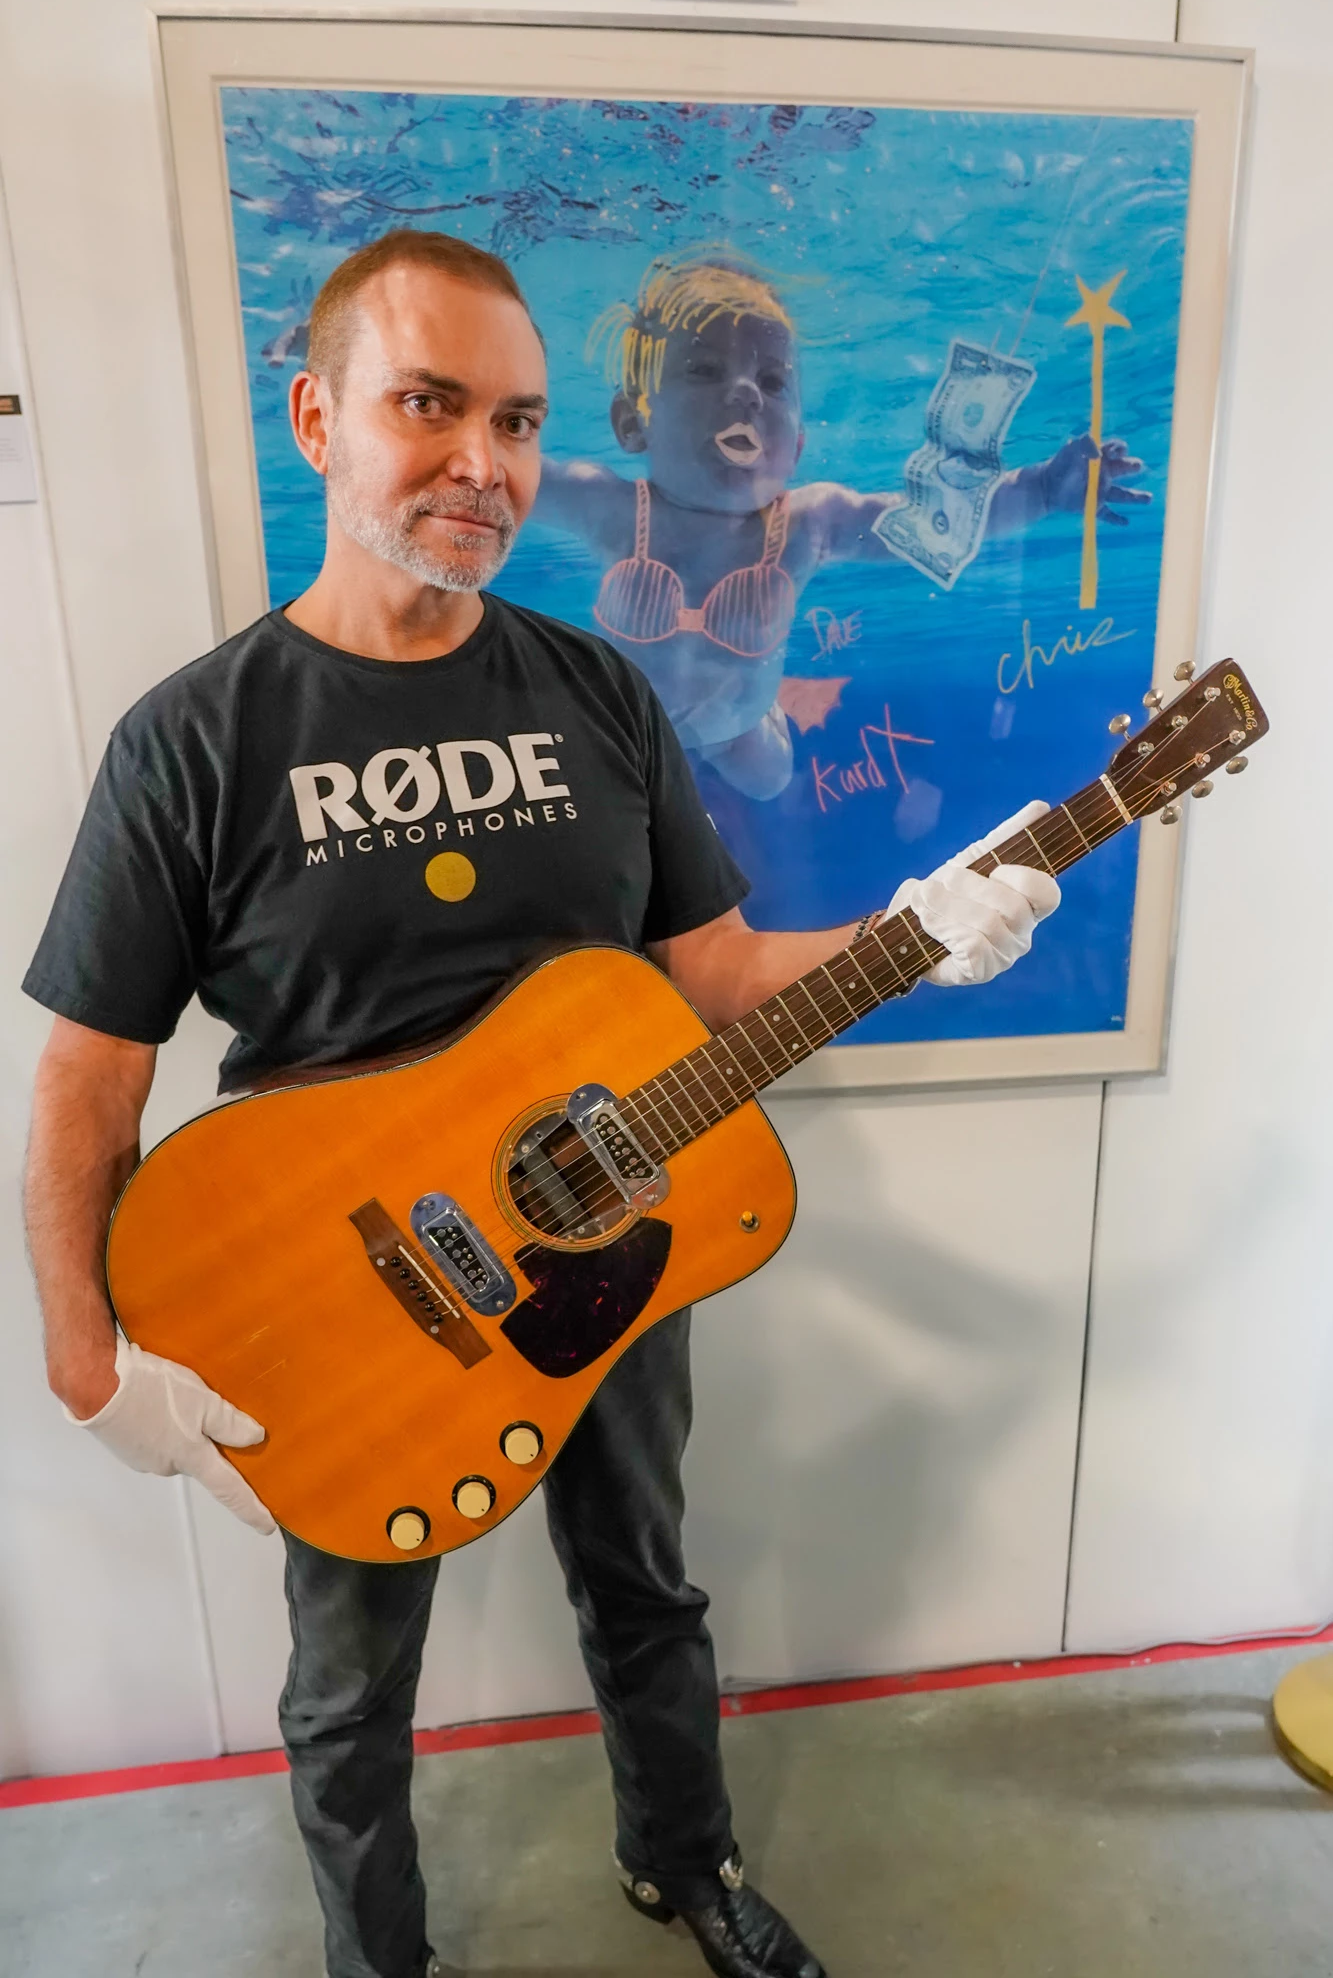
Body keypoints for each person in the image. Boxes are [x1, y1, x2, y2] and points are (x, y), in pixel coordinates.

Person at [22, 228, 1059, 1978]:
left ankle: (687, 1864)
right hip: (333, 1297)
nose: (480, 466)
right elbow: (86, 1075)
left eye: (514, 421)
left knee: (646, 1586)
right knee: (348, 1680)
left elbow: (712, 975)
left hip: (608, 1231)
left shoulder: (597, 695)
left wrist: (907, 932)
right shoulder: (193, 741)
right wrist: (83, 1357)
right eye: (428, 406)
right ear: (318, 416)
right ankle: (381, 1961)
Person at [533, 251, 1149, 797]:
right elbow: (499, 477)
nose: (747, 392)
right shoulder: (610, 506)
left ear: (795, 448)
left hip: (736, 728)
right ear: (632, 421)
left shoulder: (807, 523)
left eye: (772, 381)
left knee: (770, 783)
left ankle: (772, 709)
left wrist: (1040, 490)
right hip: (627, 732)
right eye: (704, 369)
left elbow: (929, 526)